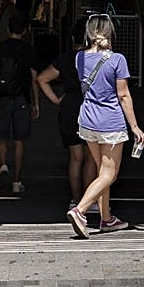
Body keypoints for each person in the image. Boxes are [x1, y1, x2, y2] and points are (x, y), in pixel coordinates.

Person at [66, 14, 144, 237]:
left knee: (102, 172)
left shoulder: (79, 58)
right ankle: (81, 210)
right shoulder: (117, 60)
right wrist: (135, 127)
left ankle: (106, 218)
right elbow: (123, 95)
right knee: (108, 174)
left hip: (87, 120)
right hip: (110, 121)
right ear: (110, 32)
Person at [37, 20, 96, 212]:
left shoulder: (65, 58)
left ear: (72, 38)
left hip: (69, 107)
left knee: (75, 158)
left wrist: (55, 99)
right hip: (91, 108)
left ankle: (75, 200)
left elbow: (42, 78)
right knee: (91, 158)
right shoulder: (96, 58)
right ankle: (89, 202)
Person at [0, 14, 39, 195]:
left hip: (1, 97)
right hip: (21, 98)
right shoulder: (28, 50)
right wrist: (36, 102)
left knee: (2, 137)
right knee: (19, 140)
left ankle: (3, 165)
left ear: (8, 30)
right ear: (24, 31)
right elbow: (33, 78)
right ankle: (16, 180)